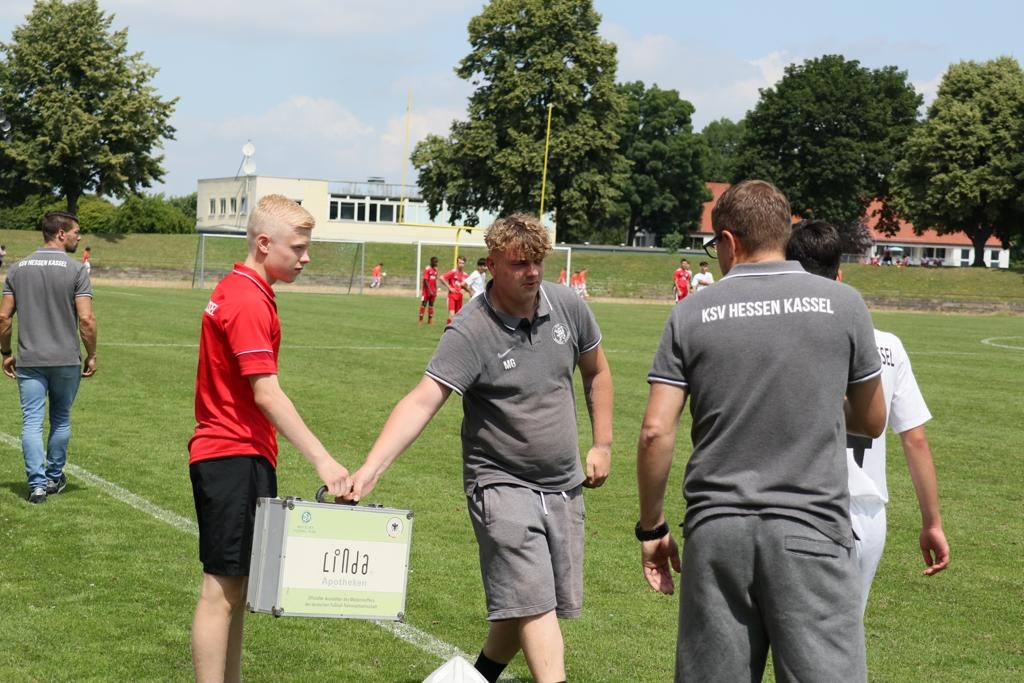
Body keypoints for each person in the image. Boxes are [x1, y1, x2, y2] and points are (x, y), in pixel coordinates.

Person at [344, 213, 613, 683]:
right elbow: (423, 400)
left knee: (526, 601)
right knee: (535, 604)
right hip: (500, 485)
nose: (532, 272)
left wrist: (603, 443)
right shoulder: (470, 330)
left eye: (537, 261)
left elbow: (597, 371)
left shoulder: (568, 305)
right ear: (491, 264)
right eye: (519, 264)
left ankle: (476, 678)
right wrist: (371, 469)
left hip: (562, 486)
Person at [635, 180, 886, 682]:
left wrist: (653, 527)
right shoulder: (843, 303)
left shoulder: (691, 312)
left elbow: (655, 433)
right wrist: (810, 398)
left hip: (717, 531)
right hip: (812, 527)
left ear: (729, 241)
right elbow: (872, 419)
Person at [187, 194, 351, 683]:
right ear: (264, 243)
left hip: (240, 453)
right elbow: (267, 392)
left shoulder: (244, 290)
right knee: (220, 592)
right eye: (297, 248)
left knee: (235, 590)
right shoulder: (245, 299)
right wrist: (324, 460)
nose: (306, 258)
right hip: (232, 453)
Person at [786, 219, 950, 612]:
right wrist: (932, 523)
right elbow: (915, 439)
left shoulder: (782, 338)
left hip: (802, 506)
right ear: (840, 277)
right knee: (845, 635)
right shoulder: (889, 345)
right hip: (868, 514)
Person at [0, 211, 97, 504]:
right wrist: (91, 354)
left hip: (30, 359)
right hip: (66, 358)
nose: (79, 237)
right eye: (76, 232)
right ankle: (54, 477)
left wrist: (6, 353)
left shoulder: (17, 269)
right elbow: (87, 319)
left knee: (31, 422)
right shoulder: (77, 270)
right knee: (61, 419)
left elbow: (3, 317)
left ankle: (37, 486)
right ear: (61, 233)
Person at [441, 255, 468, 324]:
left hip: (460, 297)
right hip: (452, 296)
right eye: (460, 263)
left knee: (457, 316)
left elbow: (467, 285)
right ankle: (448, 329)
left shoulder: (465, 275)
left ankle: (452, 329)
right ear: (457, 263)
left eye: (462, 263)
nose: (461, 265)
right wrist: (449, 287)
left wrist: (464, 290)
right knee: (451, 315)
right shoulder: (453, 272)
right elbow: (442, 278)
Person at [419, 256, 439, 324]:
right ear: (431, 262)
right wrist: (429, 290)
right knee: (424, 304)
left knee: (431, 304)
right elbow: (425, 280)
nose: (436, 264)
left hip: (433, 291)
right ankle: (421, 319)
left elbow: (435, 280)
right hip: (426, 291)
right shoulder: (427, 269)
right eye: (435, 262)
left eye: (437, 262)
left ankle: (430, 320)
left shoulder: (436, 270)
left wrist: (435, 290)